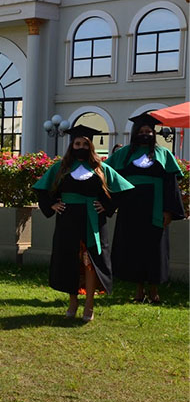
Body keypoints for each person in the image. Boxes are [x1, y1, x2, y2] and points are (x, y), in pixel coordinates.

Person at [32, 125, 133, 321]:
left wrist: (107, 206)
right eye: (77, 144)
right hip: (67, 221)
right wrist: (52, 204)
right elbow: (41, 189)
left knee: (90, 263)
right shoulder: (60, 168)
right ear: (72, 145)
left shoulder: (101, 169)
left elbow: (123, 190)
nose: (81, 147)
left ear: (91, 146)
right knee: (70, 260)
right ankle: (73, 302)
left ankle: (89, 305)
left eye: (85, 144)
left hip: (93, 220)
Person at [105, 113, 185, 304]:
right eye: (141, 131)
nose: (145, 134)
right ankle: (139, 290)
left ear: (154, 133)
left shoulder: (163, 154)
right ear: (135, 133)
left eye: (149, 131)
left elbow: (171, 185)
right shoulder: (124, 154)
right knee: (134, 248)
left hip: (156, 208)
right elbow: (107, 175)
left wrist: (168, 211)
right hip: (130, 209)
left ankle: (154, 290)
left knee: (155, 249)